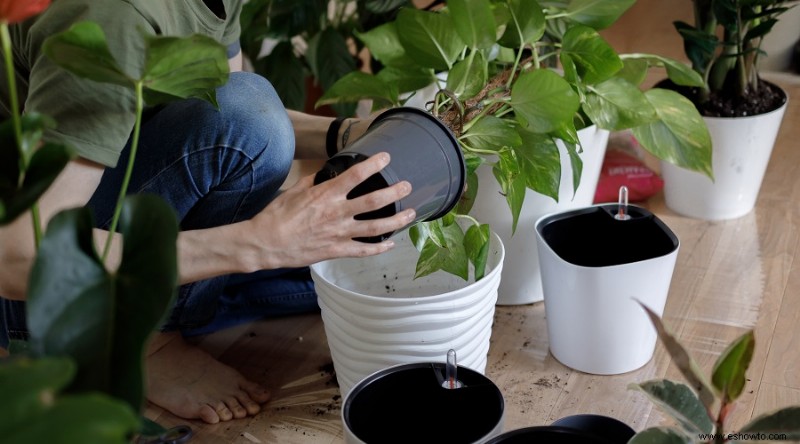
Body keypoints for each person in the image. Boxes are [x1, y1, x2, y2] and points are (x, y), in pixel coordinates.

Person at [0, 0, 414, 424]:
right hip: (32, 292)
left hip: (102, 209)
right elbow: (17, 256)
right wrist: (258, 245)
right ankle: (146, 343)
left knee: (338, 274)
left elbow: (222, 116)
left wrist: (343, 134)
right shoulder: (116, 17)